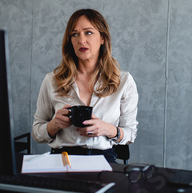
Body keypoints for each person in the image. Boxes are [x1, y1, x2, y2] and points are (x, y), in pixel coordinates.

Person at [32, 9, 138, 163]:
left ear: (102, 38)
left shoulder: (123, 81)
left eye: (88, 32)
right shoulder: (52, 80)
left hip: (104, 161)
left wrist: (108, 129)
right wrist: (54, 125)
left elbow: (130, 134)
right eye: (75, 34)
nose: (81, 40)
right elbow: (36, 133)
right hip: (62, 160)